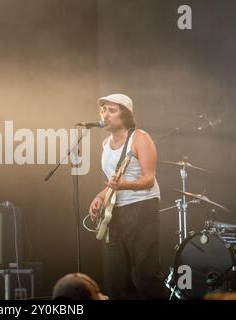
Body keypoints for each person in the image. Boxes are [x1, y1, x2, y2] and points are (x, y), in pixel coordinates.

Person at [88, 94, 165, 299]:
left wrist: (123, 185)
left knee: (145, 273)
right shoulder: (105, 144)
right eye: (104, 110)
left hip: (142, 207)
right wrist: (99, 197)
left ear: (125, 115)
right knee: (116, 276)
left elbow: (148, 179)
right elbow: (113, 183)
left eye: (112, 111)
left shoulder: (140, 137)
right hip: (115, 213)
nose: (105, 115)